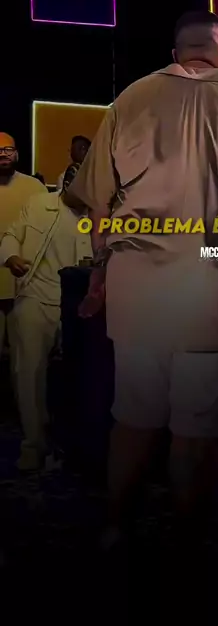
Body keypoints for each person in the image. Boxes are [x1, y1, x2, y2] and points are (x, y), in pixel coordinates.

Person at [66, 10, 218, 548]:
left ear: (175, 52)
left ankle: (116, 527)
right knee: (197, 430)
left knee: (133, 418)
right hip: (217, 294)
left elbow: (97, 204)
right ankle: (189, 544)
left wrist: (101, 272)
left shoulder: (131, 99)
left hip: (139, 292)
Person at [0, 164, 91, 469]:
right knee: (29, 375)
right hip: (37, 297)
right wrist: (11, 257)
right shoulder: (39, 204)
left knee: (77, 379)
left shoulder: (102, 214)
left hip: (79, 307)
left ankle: (71, 446)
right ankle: (33, 445)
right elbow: (12, 235)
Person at [0, 133, 47, 360]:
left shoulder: (34, 188)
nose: (3, 154)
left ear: (17, 153)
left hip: (25, 286)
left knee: (24, 358)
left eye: (8, 150)